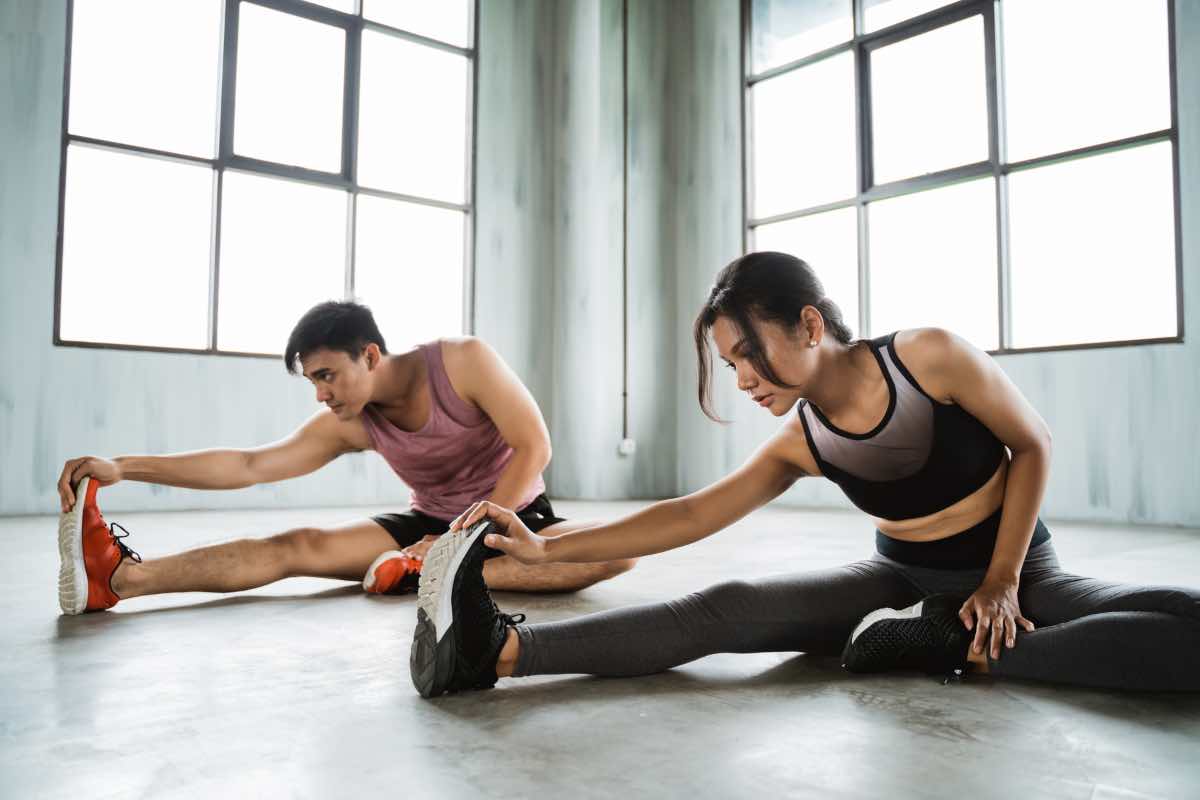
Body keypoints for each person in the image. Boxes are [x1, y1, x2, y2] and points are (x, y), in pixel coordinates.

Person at [407, 252, 1200, 698]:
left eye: (749, 354)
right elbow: (689, 515)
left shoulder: (928, 357)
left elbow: (1035, 445)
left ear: (810, 325)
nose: (744, 379)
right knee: (728, 606)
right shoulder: (803, 439)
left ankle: (953, 648)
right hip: (898, 578)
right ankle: (497, 654)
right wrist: (549, 549)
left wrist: (998, 582)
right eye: (729, 365)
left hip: (1018, 570)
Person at [55, 301, 635, 616]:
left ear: (371, 354)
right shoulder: (353, 422)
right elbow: (250, 465)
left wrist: (465, 539)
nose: (321, 393)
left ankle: (435, 570)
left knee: (620, 552)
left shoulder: (463, 361)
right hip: (425, 526)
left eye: (327, 375)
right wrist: (125, 467)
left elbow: (535, 446)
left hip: (512, 516)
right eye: (313, 381)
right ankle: (123, 581)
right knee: (296, 545)